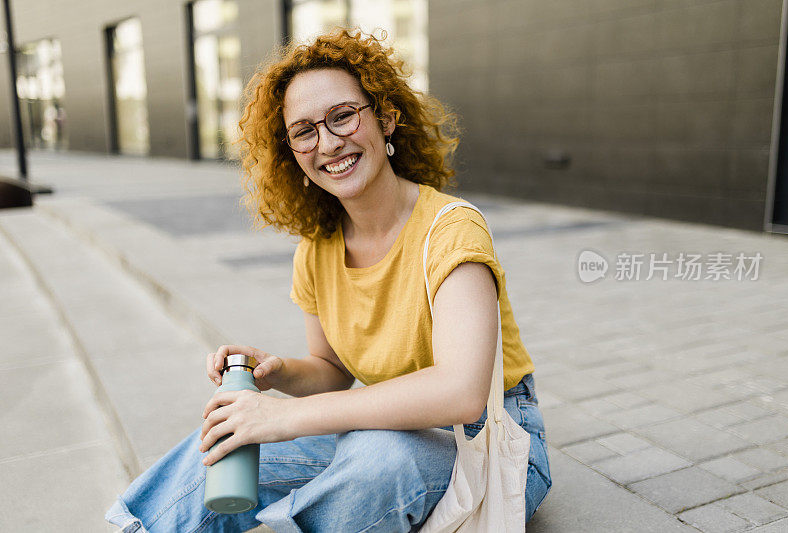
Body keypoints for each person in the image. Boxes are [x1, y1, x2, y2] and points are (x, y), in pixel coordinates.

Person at [105, 29, 551, 533]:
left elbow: (461, 392)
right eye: (304, 131)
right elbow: (331, 369)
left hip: (488, 444)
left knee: (375, 453)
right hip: (389, 426)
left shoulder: (451, 230)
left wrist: (283, 419)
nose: (329, 142)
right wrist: (274, 376)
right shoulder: (317, 247)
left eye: (342, 116)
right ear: (292, 152)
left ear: (385, 117)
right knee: (228, 437)